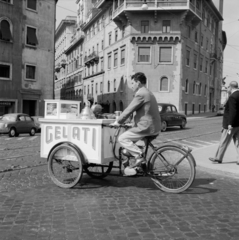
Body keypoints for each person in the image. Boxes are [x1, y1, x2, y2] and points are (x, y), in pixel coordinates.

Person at [110, 72, 161, 168]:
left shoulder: (140, 93)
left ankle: (139, 157)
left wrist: (118, 121)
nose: (131, 86)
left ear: (138, 83)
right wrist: (131, 124)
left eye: (132, 83)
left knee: (122, 138)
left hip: (147, 127)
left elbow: (129, 109)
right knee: (130, 146)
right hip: (154, 126)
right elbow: (143, 113)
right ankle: (140, 165)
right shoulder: (148, 92)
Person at [209, 81, 239, 165]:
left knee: (223, 141)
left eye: (228, 87)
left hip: (230, 125)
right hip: (238, 125)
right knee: (238, 142)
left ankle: (218, 158)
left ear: (231, 87)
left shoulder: (233, 97)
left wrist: (230, 124)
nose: (227, 89)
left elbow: (233, 111)